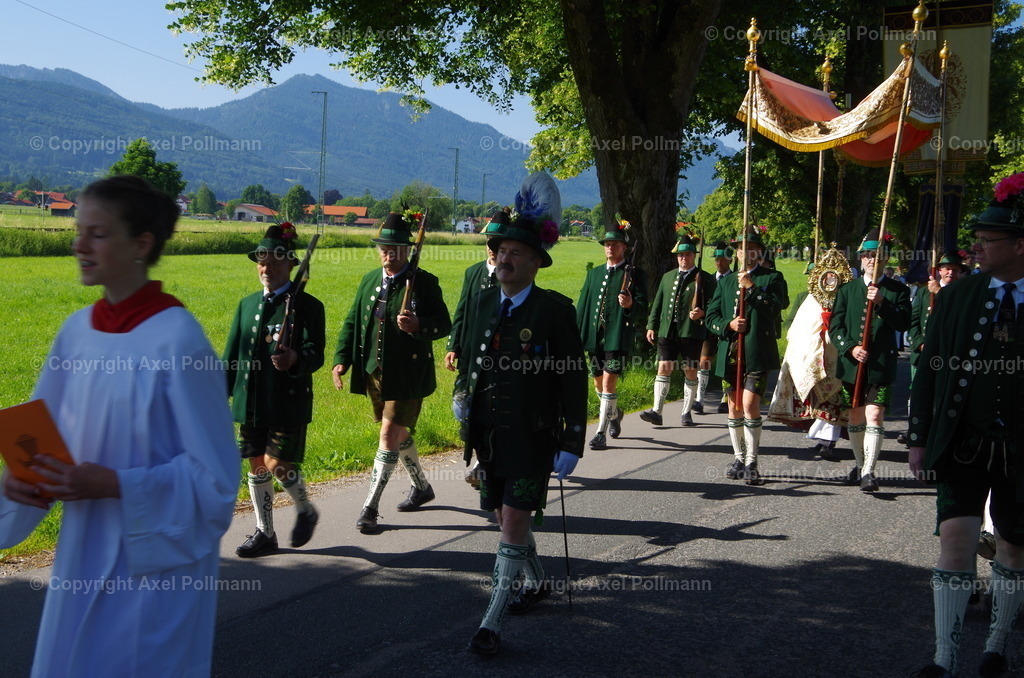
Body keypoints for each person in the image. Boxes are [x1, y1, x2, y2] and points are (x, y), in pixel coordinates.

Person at [0, 175, 238, 676]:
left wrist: (116, 485)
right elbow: (42, 438)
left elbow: (215, 483)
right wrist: (24, 479)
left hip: (153, 573)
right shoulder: (76, 333)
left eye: (98, 233)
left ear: (141, 244)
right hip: (83, 552)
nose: (79, 245)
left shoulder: (179, 343)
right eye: (79, 230)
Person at [456, 177, 588, 656]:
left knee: (513, 521)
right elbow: (471, 361)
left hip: (532, 439)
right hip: (488, 437)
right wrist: (462, 404)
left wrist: (573, 440)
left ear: (536, 262)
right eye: (501, 251)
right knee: (500, 515)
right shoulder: (483, 302)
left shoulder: (554, 311)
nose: (505, 259)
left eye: (516, 253)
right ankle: (534, 581)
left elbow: (574, 378)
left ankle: (490, 621)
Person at [908, 175, 1024, 678]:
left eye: (987, 240)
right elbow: (929, 369)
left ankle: (996, 646)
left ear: (1019, 245)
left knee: (1015, 544)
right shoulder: (957, 298)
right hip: (962, 440)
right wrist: (918, 438)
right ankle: (943, 658)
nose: (975, 247)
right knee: (955, 537)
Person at [332, 212, 452, 534]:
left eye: (396, 247)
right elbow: (352, 322)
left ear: (407, 249)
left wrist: (418, 326)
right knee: (398, 436)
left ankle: (370, 507)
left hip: (408, 376)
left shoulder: (424, 282)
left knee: (387, 436)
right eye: (384, 247)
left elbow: (444, 324)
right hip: (375, 371)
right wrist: (341, 359)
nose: (389, 253)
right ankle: (422, 487)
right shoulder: (369, 280)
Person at [224, 223, 326, 557]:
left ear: (290, 265)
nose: (267, 268)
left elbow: (316, 352)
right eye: (262, 261)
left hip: (287, 402)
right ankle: (265, 532)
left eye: (275, 262)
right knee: (256, 464)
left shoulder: (308, 306)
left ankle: (305, 509)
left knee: (277, 463)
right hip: (252, 402)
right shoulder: (246, 304)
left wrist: (296, 356)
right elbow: (232, 356)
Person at [828, 229, 911, 492]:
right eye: (868, 256)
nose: (872, 260)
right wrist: (850, 348)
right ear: (861, 259)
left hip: (881, 365)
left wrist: (882, 302)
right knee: (855, 416)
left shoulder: (897, 290)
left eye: (877, 256)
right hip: (852, 365)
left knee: (874, 414)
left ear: (886, 260)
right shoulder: (847, 289)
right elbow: (835, 326)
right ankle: (860, 463)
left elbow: (904, 322)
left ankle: (869, 472)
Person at [705, 228, 788, 485]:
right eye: (742, 248)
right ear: (737, 252)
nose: (746, 252)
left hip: (757, 353)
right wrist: (728, 325)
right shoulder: (725, 282)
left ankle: (752, 461)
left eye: (752, 248)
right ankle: (739, 457)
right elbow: (711, 316)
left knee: (750, 406)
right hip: (729, 354)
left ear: (759, 252)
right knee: (734, 407)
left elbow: (777, 307)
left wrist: (751, 288)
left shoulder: (773, 277)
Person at [444, 210, 509, 488]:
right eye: (490, 242)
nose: (492, 248)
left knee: (489, 411)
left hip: (498, 358)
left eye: (499, 243)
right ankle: (488, 456)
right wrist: (453, 345)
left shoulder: (512, 276)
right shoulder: (473, 273)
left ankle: (484, 462)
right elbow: (461, 311)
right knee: (461, 406)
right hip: (470, 356)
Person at [577, 221, 647, 448]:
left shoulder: (635, 274)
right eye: (607, 244)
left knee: (608, 382)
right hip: (594, 337)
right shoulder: (594, 274)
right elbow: (583, 306)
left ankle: (600, 432)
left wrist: (630, 304)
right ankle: (615, 414)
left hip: (617, 337)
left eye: (615, 244)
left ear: (624, 247)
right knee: (598, 383)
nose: (610, 248)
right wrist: (577, 335)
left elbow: (642, 308)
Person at [640, 232, 715, 427]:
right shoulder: (667, 277)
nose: (684, 258)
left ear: (693, 256)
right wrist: (651, 325)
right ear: (677, 257)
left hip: (691, 331)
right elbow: (658, 303)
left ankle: (686, 412)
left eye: (688, 255)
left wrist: (703, 312)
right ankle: (657, 411)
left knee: (690, 371)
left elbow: (716, 305)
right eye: (681, 255)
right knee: (663, 367)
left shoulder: (704, 278)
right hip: (667, 330)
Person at [704, 242, 734, 414]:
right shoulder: (708, 279)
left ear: (729, 260)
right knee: (704, 360)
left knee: (725, 361)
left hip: (728, 327)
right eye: (716, 259)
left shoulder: (734, 280)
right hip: (710, 325)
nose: (719, 262)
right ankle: (700, 397)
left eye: (722, 259)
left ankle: (725, 396)